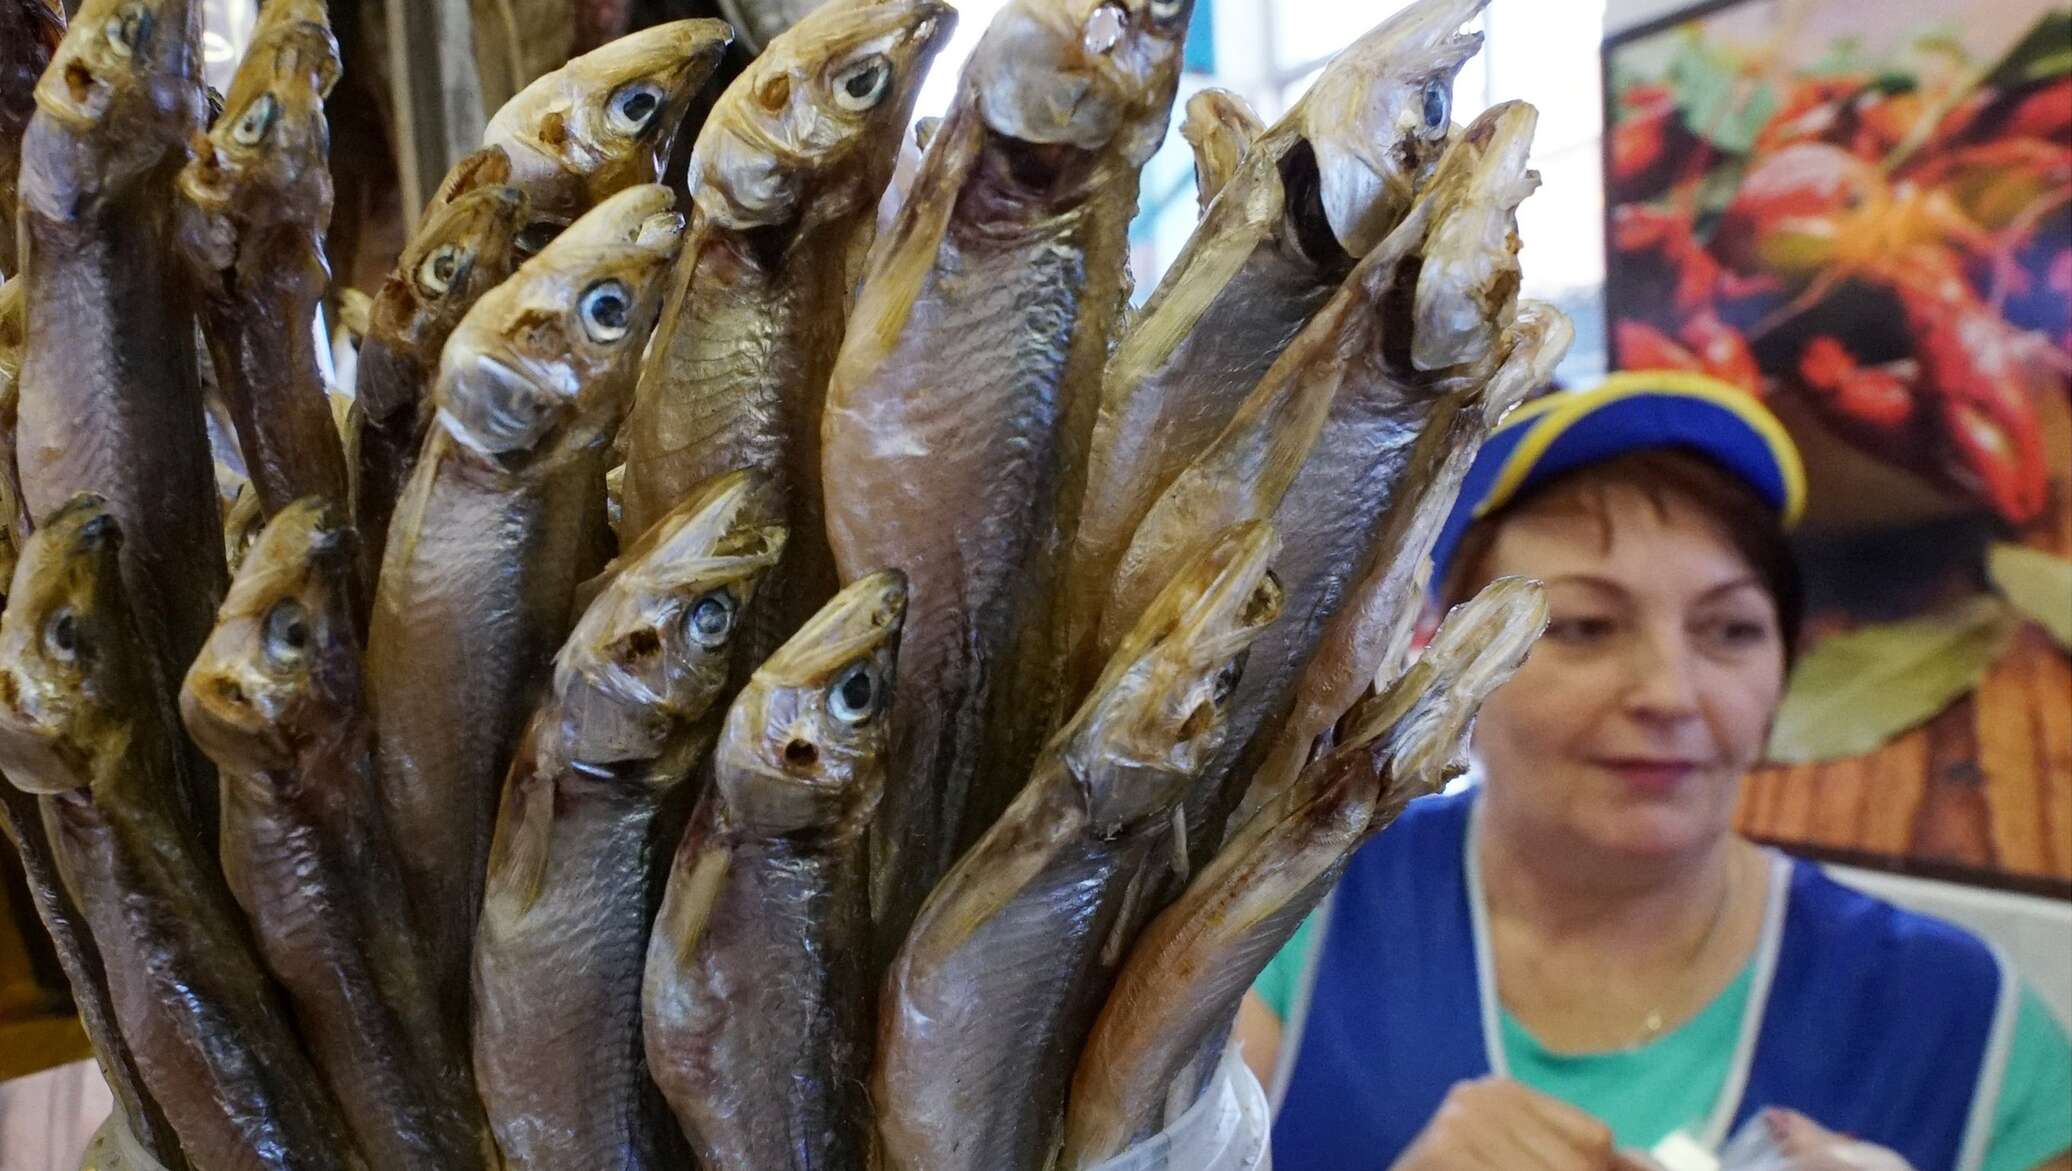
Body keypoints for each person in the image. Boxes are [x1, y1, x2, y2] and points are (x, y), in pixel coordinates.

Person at [1238, 371, 2072, 1171]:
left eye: (1730, 629)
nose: (1670, 694)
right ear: (1445, 659)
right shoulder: (1280, 922)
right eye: (1586, 626)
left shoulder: (1953, 1015)